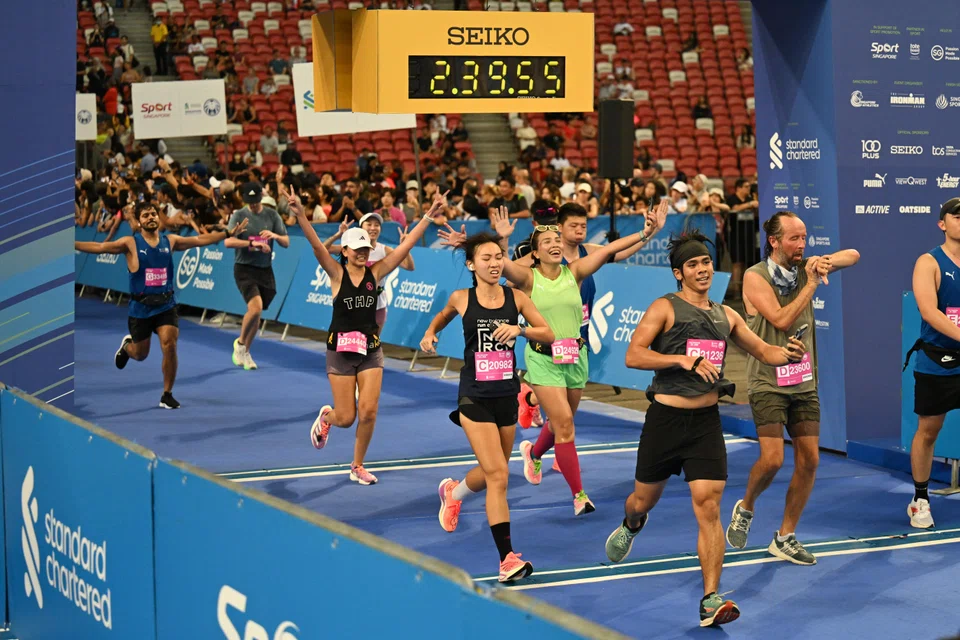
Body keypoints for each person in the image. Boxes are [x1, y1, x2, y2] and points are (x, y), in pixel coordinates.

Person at [603, 232, 805, 627]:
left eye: (707, 263)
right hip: (665, 420)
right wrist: (683, 360)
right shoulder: (665, 308)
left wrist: (788, 354)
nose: (703, 269)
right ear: (679, 273)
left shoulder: (724, 315)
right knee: (642, 501)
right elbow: (634, 354)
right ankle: (632, 524)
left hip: (705, 425)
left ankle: (711, 598)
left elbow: (764, 351)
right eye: (693, 264)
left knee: (709, 507)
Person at [440, 203, 666, 515]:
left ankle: (533, 452)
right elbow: (496, 264)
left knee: (561, 423)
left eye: (557, 241)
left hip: (576, 355)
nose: (555, 244)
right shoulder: (528, 278)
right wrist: (493, 240)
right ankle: (579, 495)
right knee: (565, 425)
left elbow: (611, 248)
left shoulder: (575, 271)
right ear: (535, 252)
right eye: (547, 242)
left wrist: (646, 231)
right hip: (543, 360)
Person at [726, 211, 859, 563]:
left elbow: (854, 255)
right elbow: (783, 320)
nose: (801, 245)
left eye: (804, 238)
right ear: (774, 241)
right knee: (772, 460)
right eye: (794, 239)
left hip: (802, 380)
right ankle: (746, 505)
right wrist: (812, 283)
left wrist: (823, 262)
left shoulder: (806, 266)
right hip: (767, 380)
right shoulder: (755, 278)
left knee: (810, 460)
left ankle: (785, 536)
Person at [420, 232, 554, 581]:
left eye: (498, 257)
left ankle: (453, 492)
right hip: (473, 395)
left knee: (491, 468)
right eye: (486, 259)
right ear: (471, 264)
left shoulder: (517, 298)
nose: (494, 264)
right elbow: (442, 316)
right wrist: (430, 333)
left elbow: (548, 333)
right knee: (498, 475)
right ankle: (506, 558)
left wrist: (519, 330)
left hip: (506, 394)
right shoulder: (462, 298)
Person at [298, 187, 448, 485]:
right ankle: (327, 417)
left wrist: (428, 217)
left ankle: (357, 465)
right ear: (345, 251)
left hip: (370, 350)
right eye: (357, 249)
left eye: (366, 248)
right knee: (346, 417)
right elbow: (316, 247)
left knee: (368, 412)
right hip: (339, 351)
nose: (363, 252)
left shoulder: (375, 273)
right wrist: (301, 215)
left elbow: (405, 250)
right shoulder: (336, 274)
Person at [74, 202, 248, 408]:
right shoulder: (130, 243)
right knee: (141, 354)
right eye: (146, 215)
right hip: (140, 307)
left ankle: (167, 394)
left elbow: (199, 239)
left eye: (153, 214)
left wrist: (226, 233)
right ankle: (127, 348)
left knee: (170, 343)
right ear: (139, 222)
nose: (151, 217)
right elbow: (100, 247)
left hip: (166, 304)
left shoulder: (170, 241)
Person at [512, 201, 667, 431]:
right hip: (548, 333)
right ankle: (545, 421)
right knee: (560, 408)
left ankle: (531, 401)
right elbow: (506, 275)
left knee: (564, 408)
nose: (579, 230)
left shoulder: (588, 253)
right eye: (573, 225)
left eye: (583, 225)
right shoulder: (539, 259)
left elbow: (616, 250)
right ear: (559, 227)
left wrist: (650, 232)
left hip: (577, 332)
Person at [903, 197, 960, 529]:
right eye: (957, 216)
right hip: (938, 361)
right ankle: (920, 498)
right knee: (928, 431)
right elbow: (929, 311)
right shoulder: (929, 262)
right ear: (943, 224)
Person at [225, 181, 290, 371]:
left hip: (265, 270)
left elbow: (286, 242)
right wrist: (252, 244)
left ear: (261, 197)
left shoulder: (272, 215)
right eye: (249, 201)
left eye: (255, 200)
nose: (252, 205)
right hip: (244, 268)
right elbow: (228, 242)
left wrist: (275, 236)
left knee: (258, 314)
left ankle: (245, 350)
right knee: (255, 308)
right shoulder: (238, 215)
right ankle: (240, 344)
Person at [323, 212, 415, 334]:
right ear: (361, 228)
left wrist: (405, 247)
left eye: (376, 225)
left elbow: (409, 266)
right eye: (369, 224)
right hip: (353, 304)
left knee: (373, 344)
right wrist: (338, 235)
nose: (373, 228)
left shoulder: (384, 250)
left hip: (378, 305)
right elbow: (323, 250)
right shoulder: (350, 248)